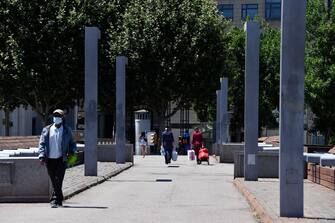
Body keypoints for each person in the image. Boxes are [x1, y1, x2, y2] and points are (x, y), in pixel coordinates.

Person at [38, 109, 77, 208]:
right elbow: (41, 143)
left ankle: (54, 200)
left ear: (62, 118)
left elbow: (72, 144)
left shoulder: (67, 130)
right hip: (49, 159)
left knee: (58, 180)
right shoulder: (46, 129)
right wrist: (41, 155)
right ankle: (59, 198)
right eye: (55, 115)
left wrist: (72, 152)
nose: (56, 117)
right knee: (53, 179)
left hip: (61, 159)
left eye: (58, 116)